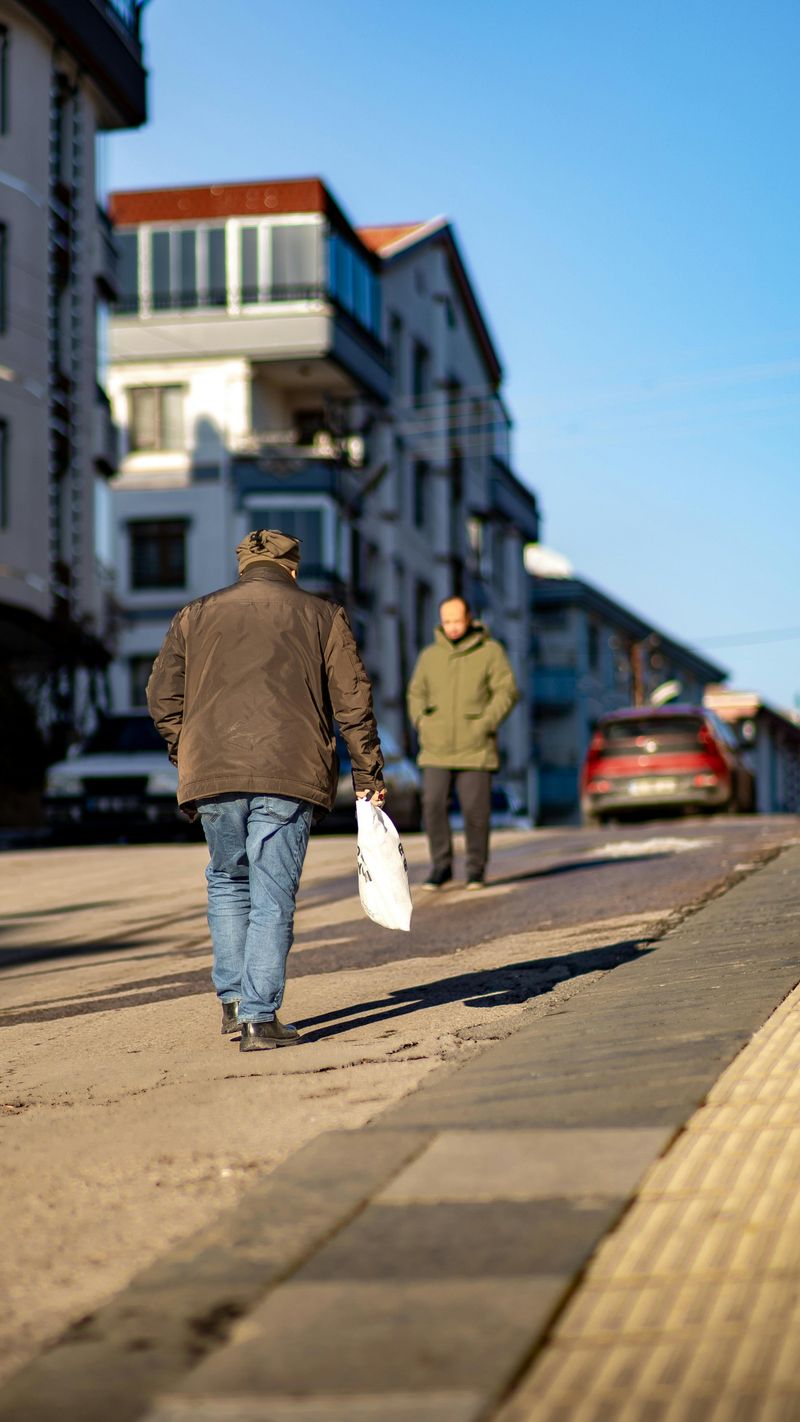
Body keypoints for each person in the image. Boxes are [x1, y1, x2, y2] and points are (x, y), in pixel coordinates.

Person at [147, 529, 385, 1052]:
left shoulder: (194, 615)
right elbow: (353, 702)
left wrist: (186, 751)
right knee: (272, 893)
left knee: (229, 881)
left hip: (212, 769)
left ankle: (233, 1003)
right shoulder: (323, 616)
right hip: (288, 768)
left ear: (243, 567)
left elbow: (162, 696)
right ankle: (259, 1017)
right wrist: (368, 775)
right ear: (293, 569)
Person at [407, 596, 519, 890]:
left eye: (457, 620)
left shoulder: (491, 652)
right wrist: (422, 721)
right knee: (431, 804)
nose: (453, 627)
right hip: (436, 747)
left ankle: (475, 869)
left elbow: (506, 691)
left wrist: (485, 724)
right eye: (447, 621)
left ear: (469, 618)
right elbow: (415, 692)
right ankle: (440, 867)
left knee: (475, 810)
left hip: (476, 747)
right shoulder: (430, 656)